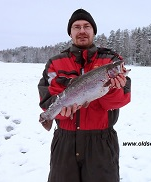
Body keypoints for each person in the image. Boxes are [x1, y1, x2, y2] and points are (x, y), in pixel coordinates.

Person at [38, 8, 131, 182]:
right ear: (70, 33)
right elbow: (47, 97)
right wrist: (55, 112)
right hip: (64, 142)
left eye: (87, 26)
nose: (82, 30)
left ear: (94, 31)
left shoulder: (111, 60)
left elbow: (121, 100)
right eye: (76, 27)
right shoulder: (55, 62)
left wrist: (113, 88)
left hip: (101, 143)